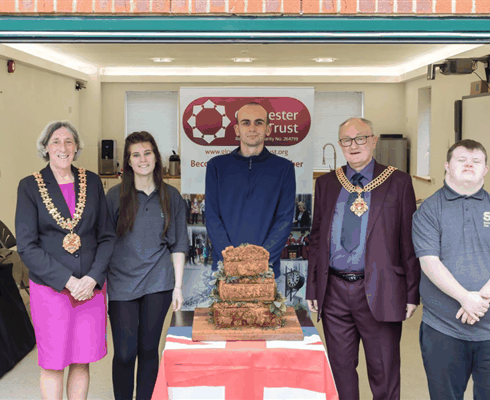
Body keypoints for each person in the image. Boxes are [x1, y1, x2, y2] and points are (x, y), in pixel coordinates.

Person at [306, 117, 420, 400]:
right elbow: (317, 237)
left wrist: (411, 293)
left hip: (381, 287)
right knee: (340, 370)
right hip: (333, 290)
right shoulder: (328, 183)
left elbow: (408, 240)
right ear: (340, 144)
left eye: (360, 138)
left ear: (373, 140)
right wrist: (312, 286)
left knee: (384, 371)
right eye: (346, 139)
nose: (353, 145)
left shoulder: (398, 182)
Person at [412, 139, 490, 400]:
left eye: (476, 161)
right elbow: (429, 262)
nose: (469, 165)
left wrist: (480, 300)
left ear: (485, 170)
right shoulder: (428, 210)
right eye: (462, 160)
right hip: (443, 330)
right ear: (447, 166)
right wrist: (464, 298)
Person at [16, 121, 116, 400]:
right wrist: (68, 281)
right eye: (56, 141)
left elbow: (107, 236)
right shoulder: (29, 186)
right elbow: (26, 245)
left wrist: (93, 278)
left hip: (90, 288)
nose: (63, 147)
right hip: (51, 289)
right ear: (45, 147)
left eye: (69, 141)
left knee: (82, 360)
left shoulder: (93, 181)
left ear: (77, 147)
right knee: (53, 362)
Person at [105, 131, 188, 400]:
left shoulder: (171, 196)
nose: (143, 159)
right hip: (122, 283)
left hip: (158, 281)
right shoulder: (115, 196)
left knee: (149, 349)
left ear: (156, 157)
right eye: (136, 155)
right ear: (128, 161)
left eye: (148, 153)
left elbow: (178, 244)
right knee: (126, 353)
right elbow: (103, 240)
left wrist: (177, 287)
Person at [205, 102, 296, 278]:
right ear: (237, 129)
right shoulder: (216, 166)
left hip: (266, 270)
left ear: (268, 129)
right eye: (246, 122)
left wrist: (260, 261)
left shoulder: (284, 168)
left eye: (259, 122)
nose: (252, 128)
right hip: (225, 269)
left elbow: (284, 220)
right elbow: (212, 216)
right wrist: (230, 259)